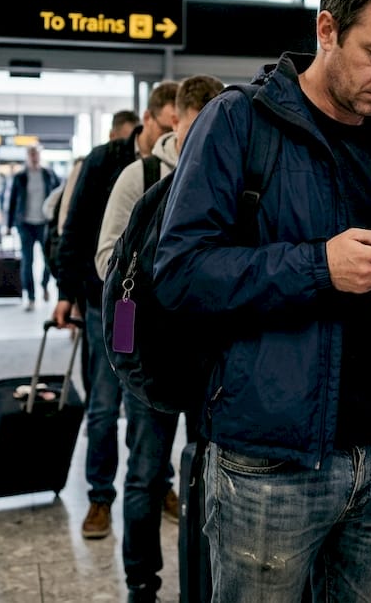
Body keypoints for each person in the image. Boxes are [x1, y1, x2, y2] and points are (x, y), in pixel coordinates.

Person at [153, 0, 371, 602]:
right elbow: (181, 274)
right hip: (266, 463)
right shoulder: (239, 123)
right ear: (326, 30)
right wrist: (319, 266)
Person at [94, 74, 224, 602]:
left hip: (213, 358)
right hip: (153, 354)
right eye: (200, 127)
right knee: (147, 472)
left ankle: (206, 581)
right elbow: (108, 261)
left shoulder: (230, 179)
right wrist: (166, 277)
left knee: (214, 472)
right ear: (178, 119)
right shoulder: (140, 176)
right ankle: (141, 585)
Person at [53, 85, 179, 541]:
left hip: (156, 317)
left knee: (151, 405)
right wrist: (67, 292)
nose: (175, 131)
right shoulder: (105, 162)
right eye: (168, 125)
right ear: (151, 119)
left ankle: (158, 484)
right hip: (105, 305)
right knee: (104, 406)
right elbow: (74, 231)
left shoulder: (186, 168)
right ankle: (99, 497)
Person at [6, 145, 60, 309]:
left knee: (49, 260)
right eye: (31, 154)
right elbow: (13, 202)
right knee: (27, 260)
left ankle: (44, 285)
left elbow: (59, 196)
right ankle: (30, 296)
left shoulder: (48, 174)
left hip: (44, 223)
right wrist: (8, 225)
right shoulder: (20, 177)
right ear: (27, 157)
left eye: (36, 154)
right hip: (25, 224)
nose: (34, 157)